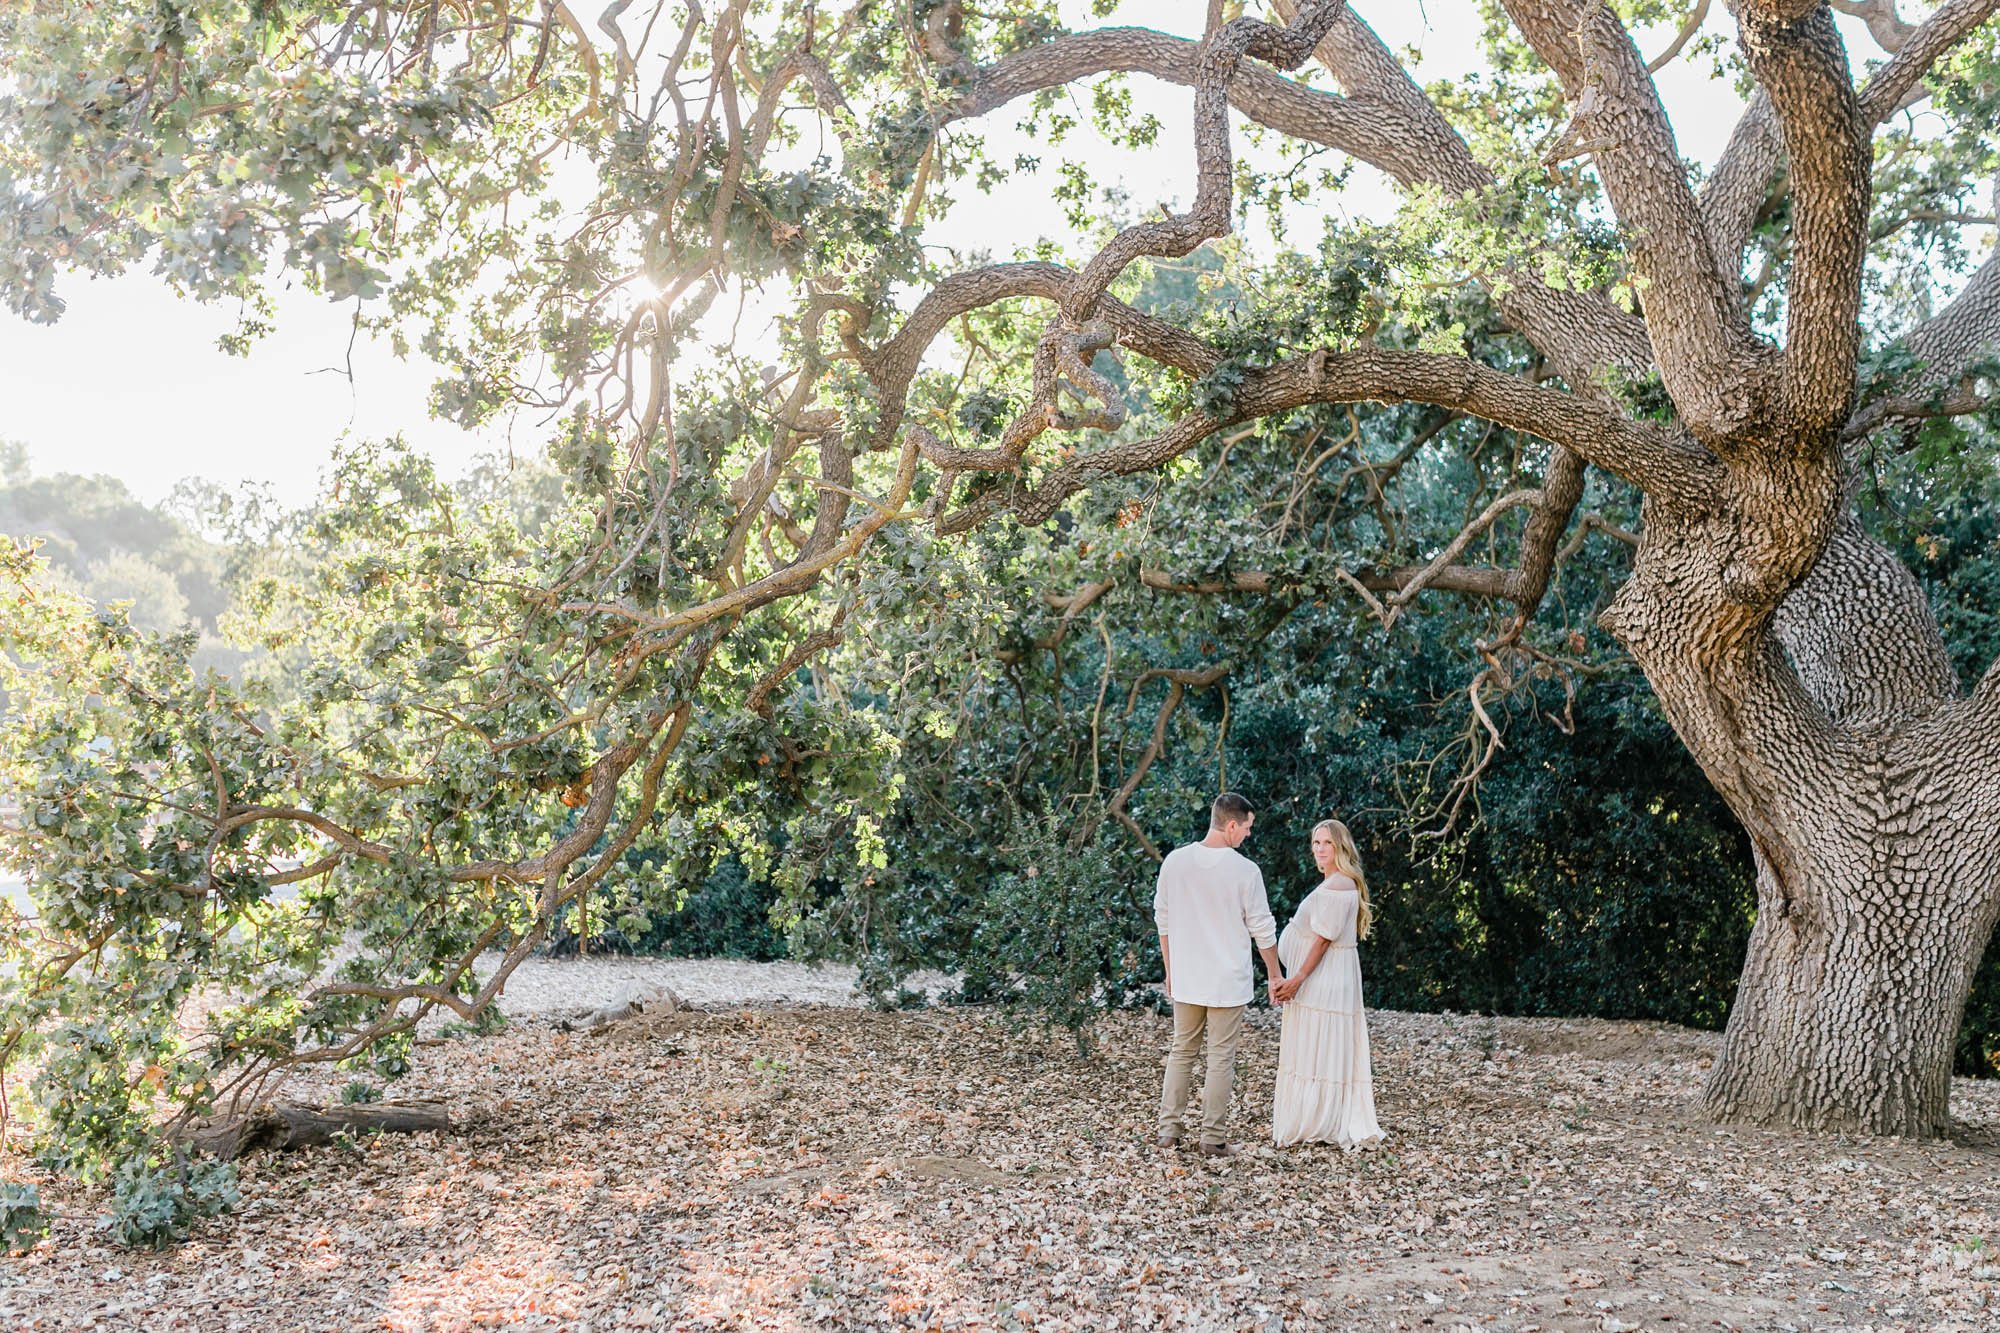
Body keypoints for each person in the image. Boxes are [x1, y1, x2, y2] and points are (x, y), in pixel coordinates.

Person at [1154, 792, 1282, 1158]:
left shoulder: (1175, 862)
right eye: (1246, 828)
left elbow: (1162, 920)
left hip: (1188, 976)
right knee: (1220, 1057)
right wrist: (1274, 973)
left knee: (1182, 1051)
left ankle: (1169, 1131)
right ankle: (1212, 1138)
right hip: (1227, 980)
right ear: (1230, 825)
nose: (1248, 835)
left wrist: (1170, 970)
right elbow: (1263, 929)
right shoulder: (1245, 871)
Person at [1270, 818, 1385, 1150]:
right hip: (1324, 973)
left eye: (1327, 843)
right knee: (1317, 1045)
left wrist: (1297, 979)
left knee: (1322, 1043)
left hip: (1325, 975)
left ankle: (1322, 1120)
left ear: (1341, 847)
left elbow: (1322, 941)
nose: (1319, 849)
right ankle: (1315, 1118)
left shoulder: (1339, 885)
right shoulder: (1337, 883)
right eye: (1316, 843)